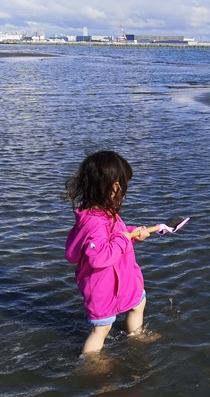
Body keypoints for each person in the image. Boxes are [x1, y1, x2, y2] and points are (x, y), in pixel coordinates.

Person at [64, 150, 152, 354]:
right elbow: (99, 257)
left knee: (139, 302)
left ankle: (136, 336)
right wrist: (124, 238)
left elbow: (115, 235)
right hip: (102, 287)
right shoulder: (95, 222)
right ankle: (92, 362)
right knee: (102, 328)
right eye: (123, 185)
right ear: (114, 187)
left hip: (121, 280)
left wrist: (132, 233)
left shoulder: (103, 213)